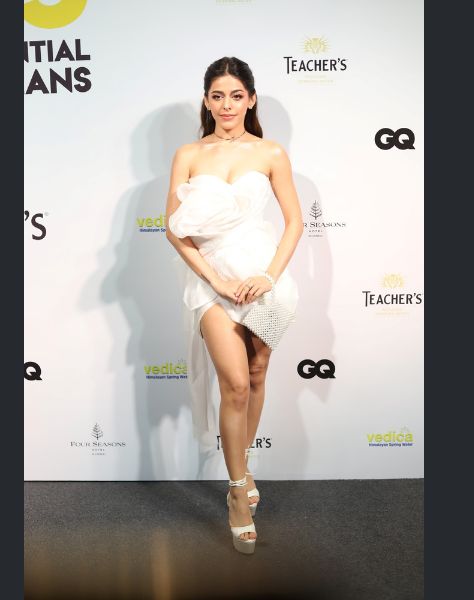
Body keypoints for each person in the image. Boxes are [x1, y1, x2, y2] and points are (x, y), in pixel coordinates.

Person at [165, 57, 302, 555]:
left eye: (236, 95)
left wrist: (268, 276)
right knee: (236, 384)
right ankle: (238, 491)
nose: (227, 105)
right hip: (212, 282)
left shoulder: (271, 153)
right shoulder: (188, 154)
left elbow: (294, 222)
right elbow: (174, 229)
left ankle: (243, 466)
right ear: (206, 100)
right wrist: (216, 279)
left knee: (259, 373)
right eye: (218, 96)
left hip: (263, 278)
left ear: (251, 99)